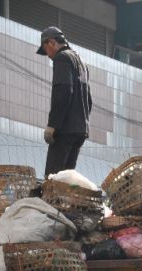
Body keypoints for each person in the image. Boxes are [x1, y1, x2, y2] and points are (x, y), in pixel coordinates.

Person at [36, 26, 92, 177]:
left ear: (52, 42)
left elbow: (63, 92)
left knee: (53, 178)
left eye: (46, 49)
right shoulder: (81, 63)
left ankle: (51, 201)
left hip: (65, 129)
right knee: (66, 178)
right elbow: (89, 99)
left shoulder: (62, 58)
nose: (48, 56)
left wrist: (52, 125)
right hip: (80, 130)